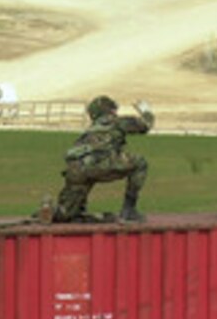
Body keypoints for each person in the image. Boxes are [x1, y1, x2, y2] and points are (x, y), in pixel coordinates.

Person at [53, 95, 152, 223]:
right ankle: (129, 210)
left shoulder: (89, 131)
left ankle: (53, 210)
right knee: (140, 163)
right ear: (109, 110)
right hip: (100, 163)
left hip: (76, 170)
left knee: (66, 214)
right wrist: (146, 111)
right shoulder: (116, 122)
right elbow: (145, 125)